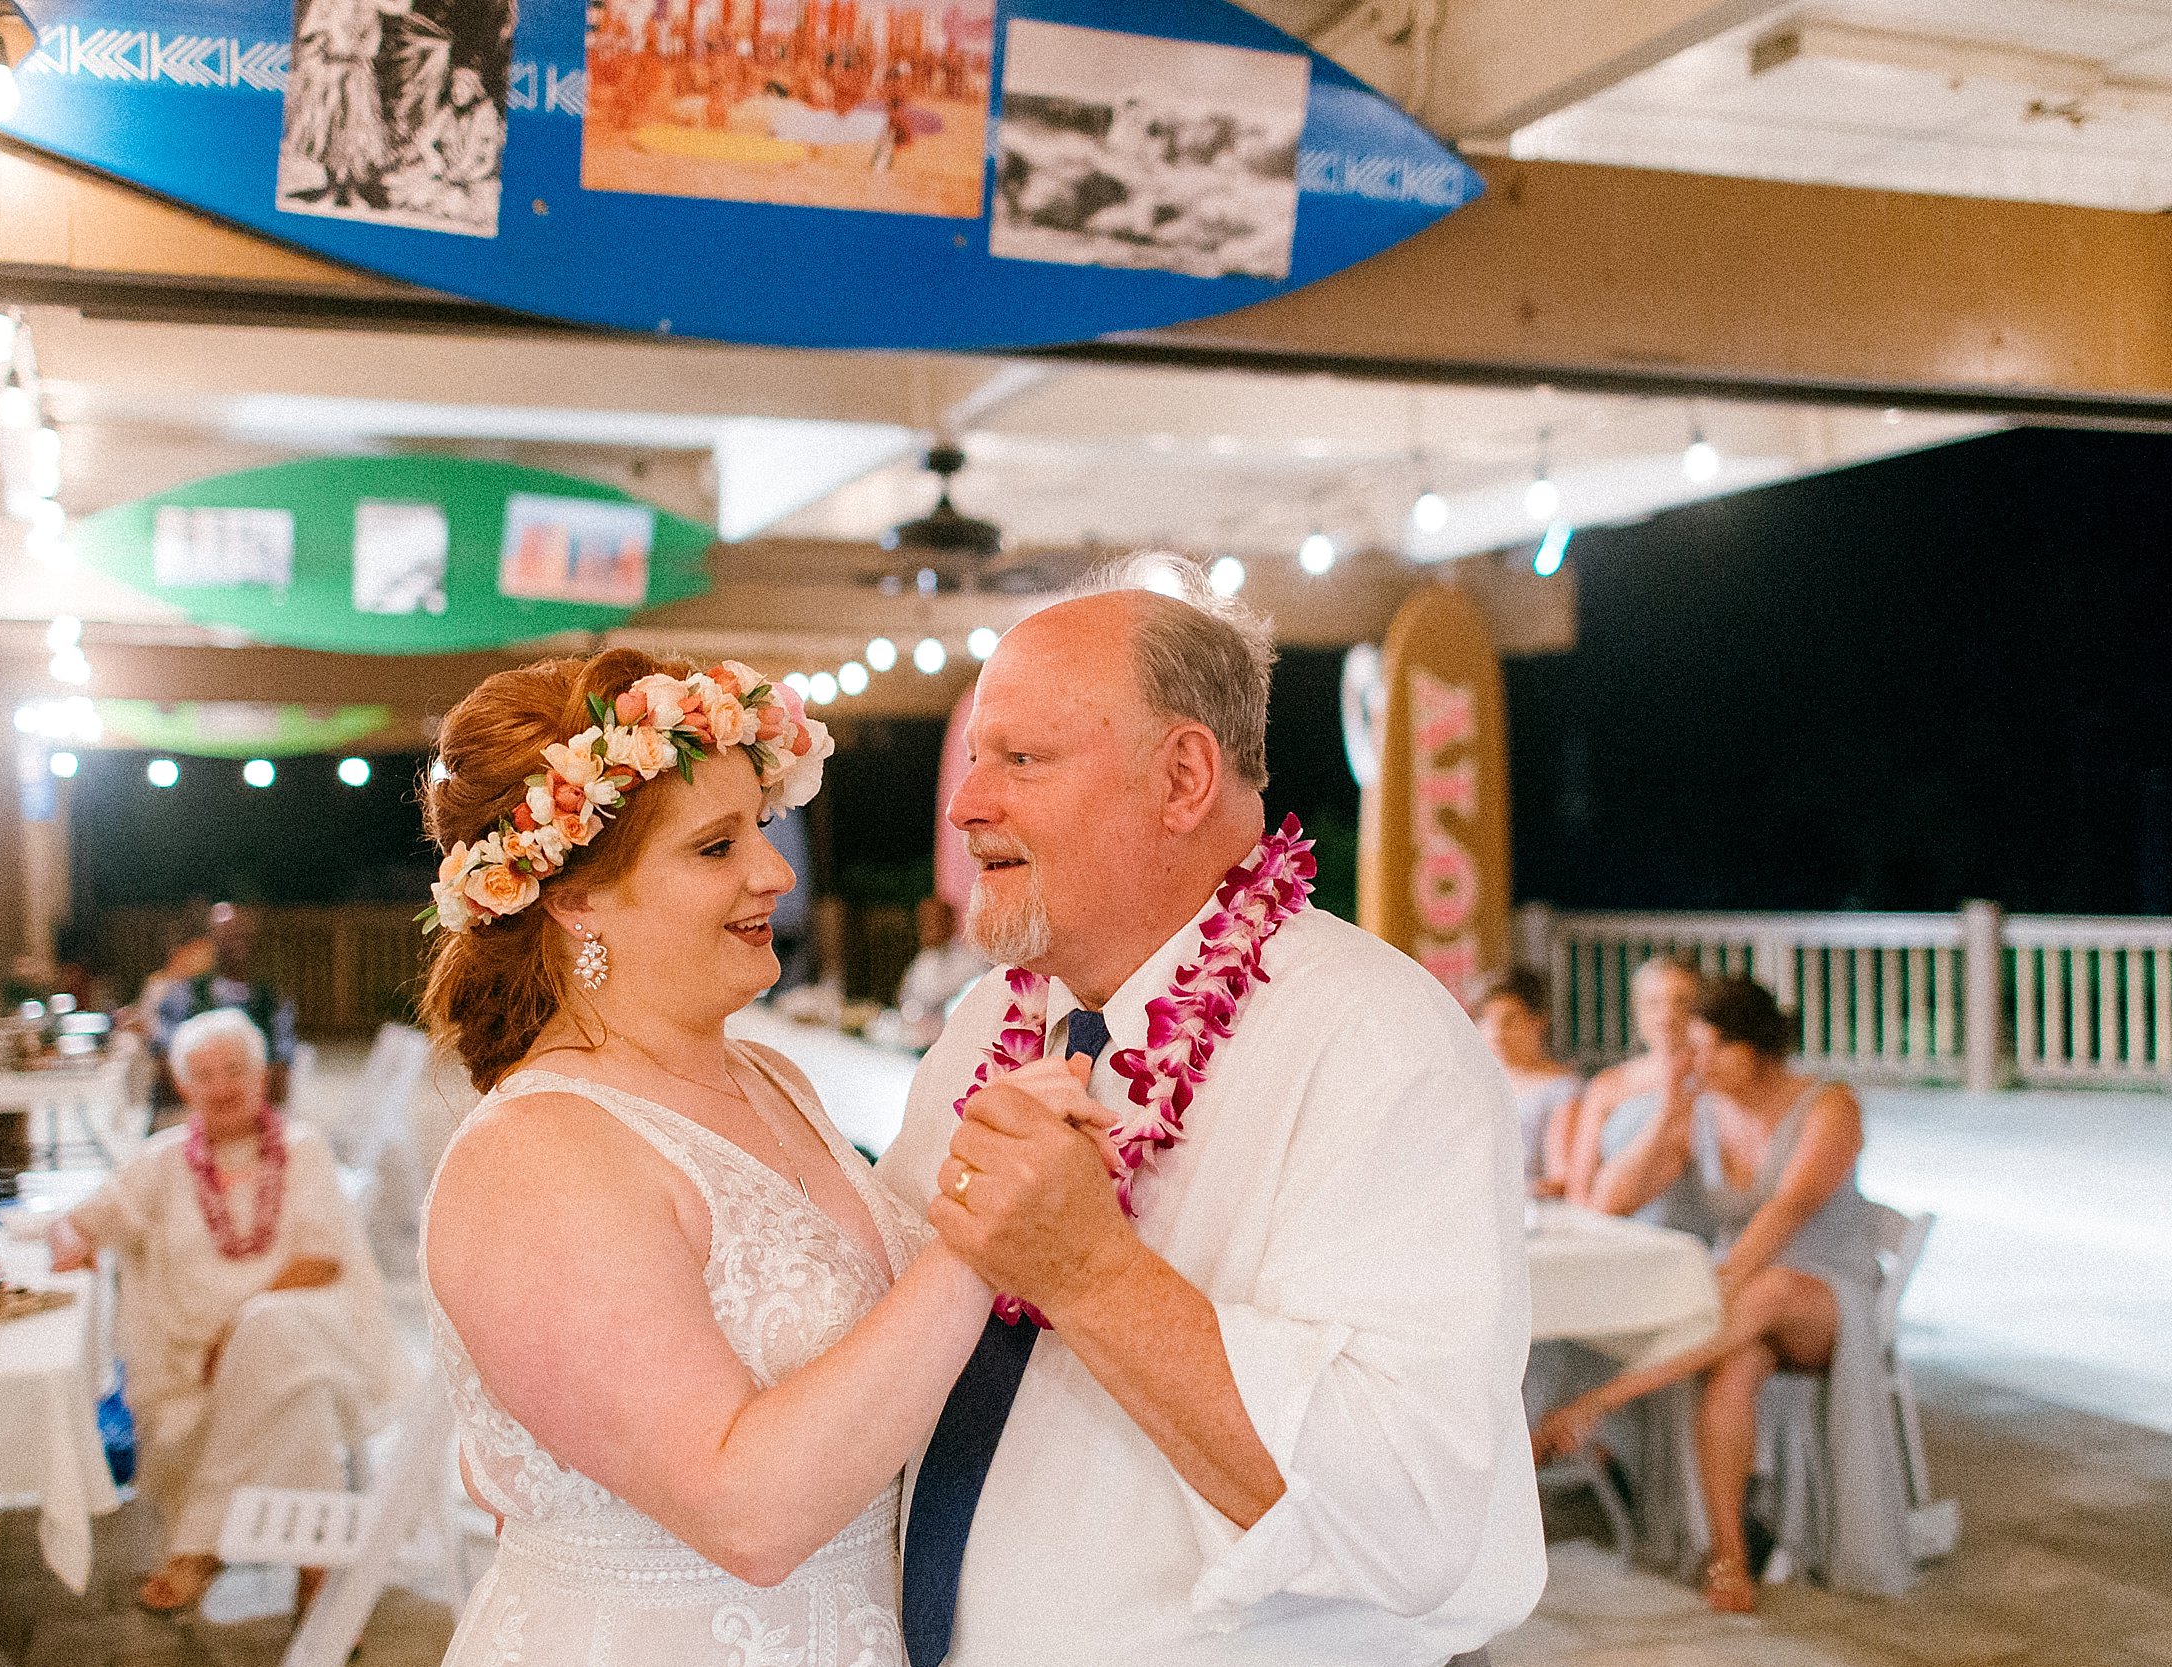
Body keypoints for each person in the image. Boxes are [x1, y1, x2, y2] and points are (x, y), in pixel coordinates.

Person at [878, 561, 1543, 1666]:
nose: (965, 802)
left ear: (1183, 775)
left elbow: (1409, 1513)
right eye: (976, 758)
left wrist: (1088, 1270)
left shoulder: (1379, 1046)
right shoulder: (986, 1020)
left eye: (1021, 758)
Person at [418, 650, 997, 1667]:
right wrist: (986, 1239)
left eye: (761, 828)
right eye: (715, 845)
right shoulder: (537, 1154)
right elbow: (748, 1515)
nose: (772, 872)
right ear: (573, 897)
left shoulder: (773, 1077)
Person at [1532, 976, 1914, 1608]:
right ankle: (1729, 1562)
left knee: (1768, 1290)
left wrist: (1720, 1286)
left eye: (1709, 1048)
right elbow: (1607, 1201)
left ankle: (1598, 1402)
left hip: (1827, 1298)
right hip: (1743, 1300)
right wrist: (1670, 1117)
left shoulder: (1830, 1106)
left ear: (1754, 1047)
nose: (1696, 1063)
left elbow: (1787, 1211)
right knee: (1731, 1375)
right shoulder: (1703, 1108)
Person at [49, 1007, 402, 1615]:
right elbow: (73, 1225)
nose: (223, 1086)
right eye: (205, 1074)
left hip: (310, 1328)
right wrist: (73, 1252)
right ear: (183, 1086)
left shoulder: (303, 1149)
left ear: (263, 1076)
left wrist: (235, 1336)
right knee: (300, 1398)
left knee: (276, 1330)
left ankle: (199, 1547)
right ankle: (318, 1577)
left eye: (236, 1070)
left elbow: (321, 1261)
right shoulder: (161, 1162)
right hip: (197, 1367)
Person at [1562, 955, 1712, 1229]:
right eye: (1654, 1003)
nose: (1667, 1015)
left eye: (1682, 1002)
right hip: (1615, 1233)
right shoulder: (1609, 1084)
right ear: (1638, 1010)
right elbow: (1580, 1189)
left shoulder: (1715, 1082)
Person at [150, 904, 296, 1109]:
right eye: (226, 935)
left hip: (254, 1111)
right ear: (211, 940)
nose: (236, 943)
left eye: (242, 935)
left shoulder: (273, 1001)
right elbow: (165, 1060)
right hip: (193, 1111)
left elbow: (280, 1073)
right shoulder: (183, 994)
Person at [1471, 968, 1583, 1194]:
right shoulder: (1475, 1084)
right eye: (1486, 1020)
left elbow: (1560, 1180)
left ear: (1538, 1022)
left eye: (1509, 1020)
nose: (1496, 1033)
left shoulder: (1563, 1090)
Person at [871, 895, 988, 1050]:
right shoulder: (923, 960)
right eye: (923, 923)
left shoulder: (972, 962)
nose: (926, 929)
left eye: (933, 922)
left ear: (950, 923)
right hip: (916, 1043)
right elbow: (904, 1000)